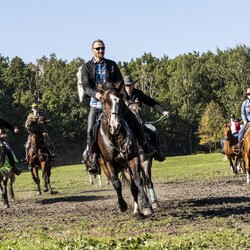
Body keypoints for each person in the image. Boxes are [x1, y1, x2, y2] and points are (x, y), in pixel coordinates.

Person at [79, 39, 154, 174]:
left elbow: (120, 84)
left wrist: (124, 99)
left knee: (133, 119)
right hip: (96, 104)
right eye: (98, 49)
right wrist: (97, 95)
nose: (100, 50)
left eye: (102, 48)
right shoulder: (86, 67)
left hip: (114, 104)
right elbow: (86, 87)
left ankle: (144, 144)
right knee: (90, 130)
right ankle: (94, 160)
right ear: (92, 50)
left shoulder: (112, 65)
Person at [122, 75, 169, 162]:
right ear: (124, 86)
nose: (129, 87)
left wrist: (163, 111)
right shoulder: (120, 95)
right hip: (126, 124)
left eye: (130, 85)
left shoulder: (138, 93)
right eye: (127, 86)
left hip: (140, 122)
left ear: (133, 85)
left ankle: (158, 153)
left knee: (153, 131)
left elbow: (151, 102)